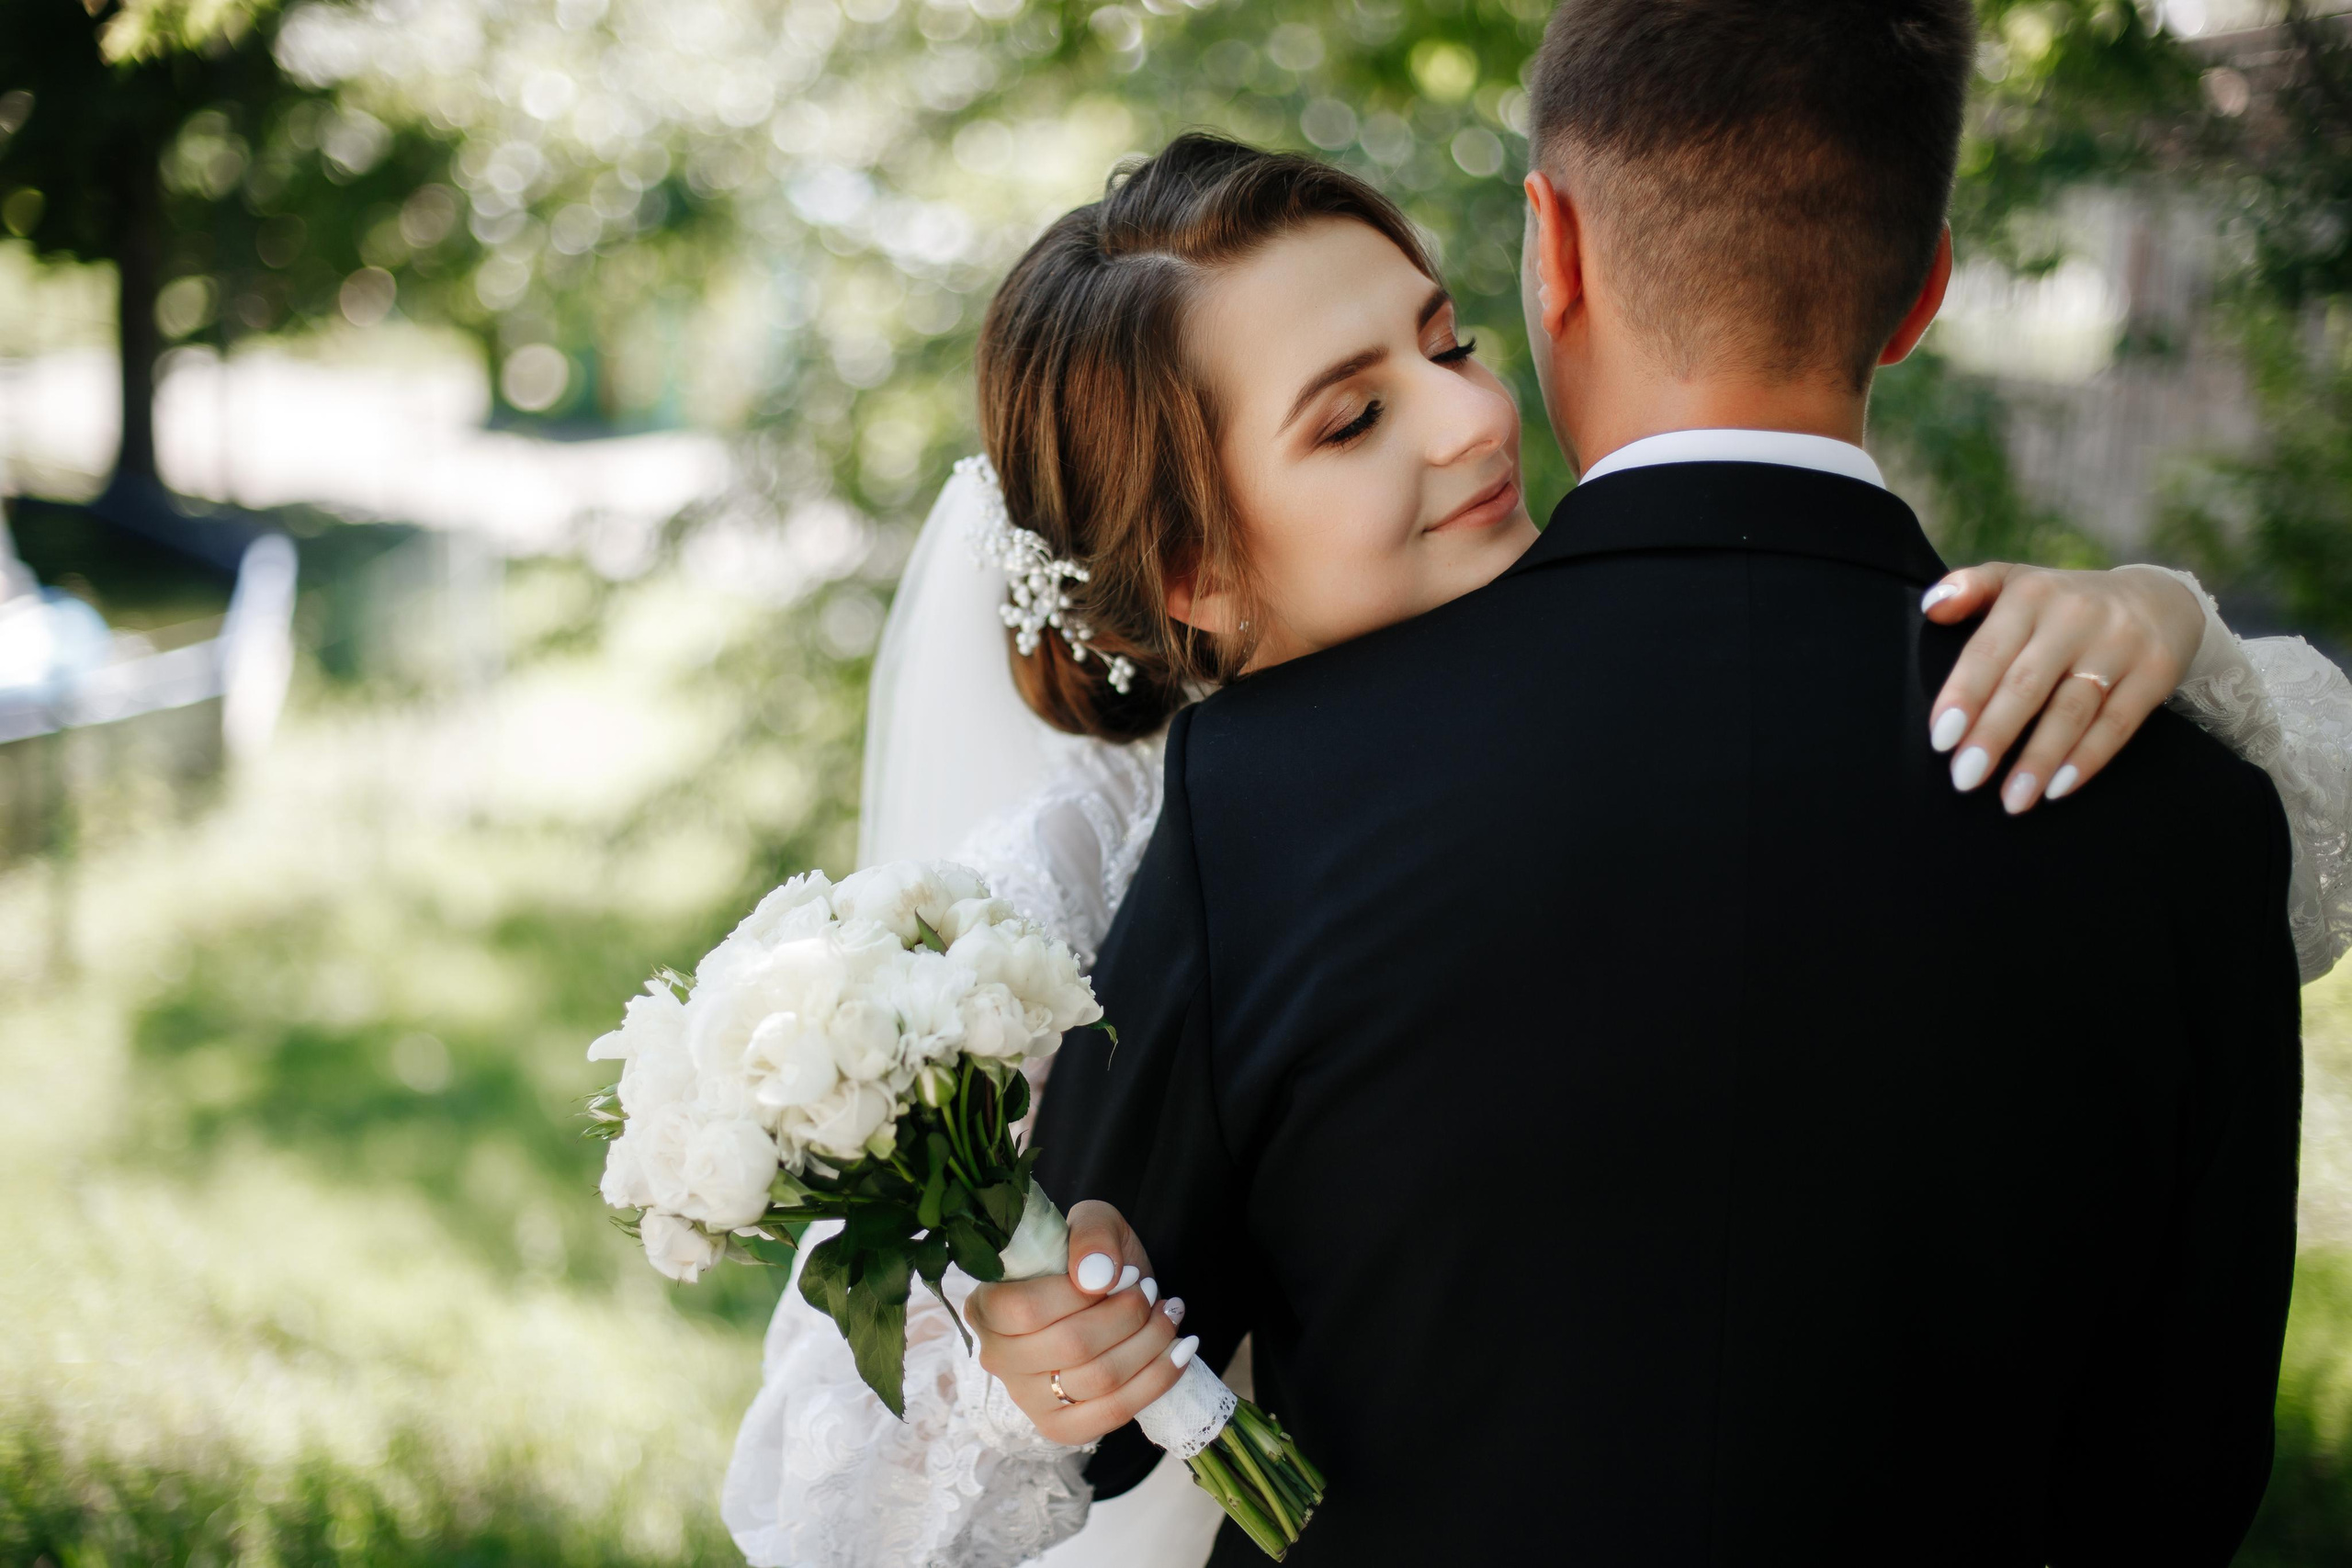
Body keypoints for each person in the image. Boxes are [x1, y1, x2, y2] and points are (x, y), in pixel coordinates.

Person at [726, 27, 2352, 1568]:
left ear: (1545, 260)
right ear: (1191, 569)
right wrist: (1049, 1355)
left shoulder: (1271, 809)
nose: (1476, 418)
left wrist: (2168, 615)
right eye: (1356, 415)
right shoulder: (1126, 861)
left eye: (1448, 345)